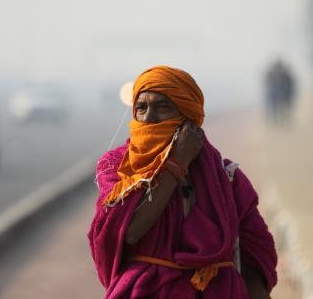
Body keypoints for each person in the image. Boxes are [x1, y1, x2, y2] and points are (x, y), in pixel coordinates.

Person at [88, 66, 277, 299]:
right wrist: (177, 164)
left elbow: (257, 253)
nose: (149, 118)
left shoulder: (226, 176)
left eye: (162, 107)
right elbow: (130, 232)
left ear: (187, 116)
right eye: (141, 107)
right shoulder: (117, 166)